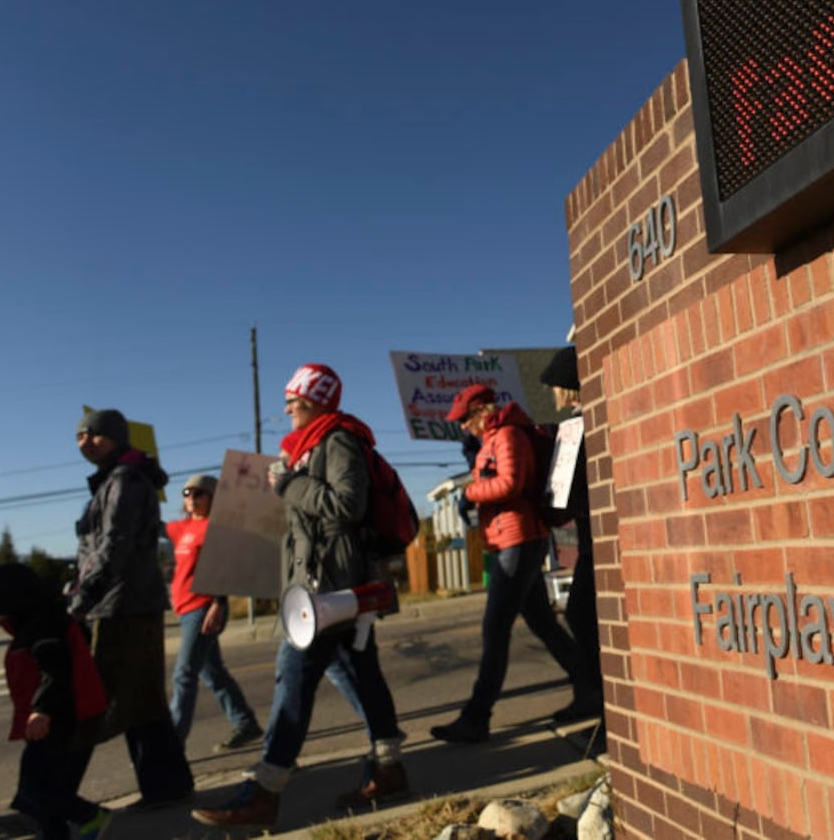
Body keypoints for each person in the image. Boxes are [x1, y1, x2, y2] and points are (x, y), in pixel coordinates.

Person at [192, 363, 408, 829]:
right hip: (322, 584)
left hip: (331, 587)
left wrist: (291, 486)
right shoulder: (305, 449)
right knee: (358, 673)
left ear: (316, 400)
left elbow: (348, 505)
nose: (287, 407)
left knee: (291, 677)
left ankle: (264, 792)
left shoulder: (338, 440)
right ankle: (389, 766)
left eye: (294, 399)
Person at [430, 381, 599, 745]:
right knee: (543, 625)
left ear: (480, 411)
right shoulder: (492, 440)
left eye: (464, 419)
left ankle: (477, 717)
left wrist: (470, 491)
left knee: (495, 631)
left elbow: (511, 483)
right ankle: (589, 691)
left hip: (519, 541)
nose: (462, 427)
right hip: (512, 540)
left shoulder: (507, 435)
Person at [71, 408, 195, 809]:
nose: (84, 442)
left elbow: (113, 547)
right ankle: (168, 787)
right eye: (79, 436)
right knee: (141, 701)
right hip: (126, 601)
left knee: (98, 702)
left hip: (122, 604)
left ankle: (50, 799)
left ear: (115, 437)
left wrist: (82, 600)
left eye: (93, 435)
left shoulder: (123, 480)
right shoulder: (116, 478)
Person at [0, 563, 113, 840]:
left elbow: (56, 672)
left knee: (38, 786)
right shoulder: (34, 620)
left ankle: (90, 816)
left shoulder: (43, 628)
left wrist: (42, 711)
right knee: (40, 783)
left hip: (56, 717)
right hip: (51, 716)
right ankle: (53, 832)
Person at [166, 473, 264, 752]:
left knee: (184, 675)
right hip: (184, 609)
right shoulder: (180, 528)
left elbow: (225, 568)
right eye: (187, 494)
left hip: (203, 608)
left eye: (198, 494)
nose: (191, 499)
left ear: (213, 497)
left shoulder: (216, 528)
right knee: (213, 674)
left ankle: (172, 749)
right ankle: (245, 722)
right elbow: (149, 523)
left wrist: (218, 603)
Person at [539, 347, 603, 725]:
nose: (551, 395)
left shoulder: (577, 429)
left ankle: (597, 695)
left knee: (581, 614)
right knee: (584, 615)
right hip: (592, 538)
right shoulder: (585, 422)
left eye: (554, 387)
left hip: (595, 541)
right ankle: (596, 693)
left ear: (566, 387)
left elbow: (560, 499)